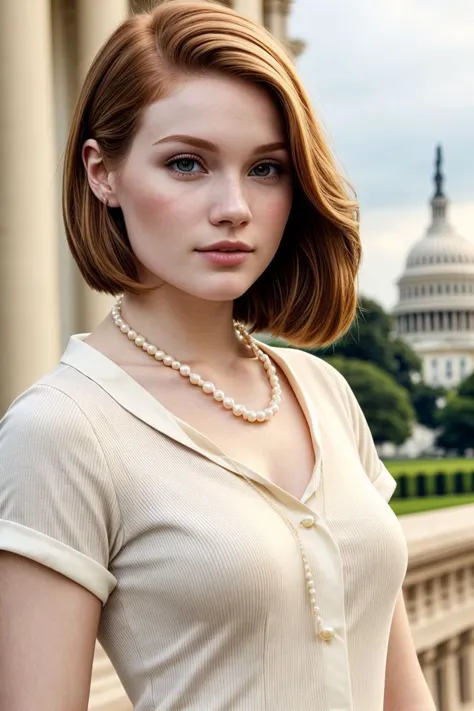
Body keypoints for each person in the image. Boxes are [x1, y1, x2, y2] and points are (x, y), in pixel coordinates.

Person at [0, 2, 435, 710]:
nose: (234, 206)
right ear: (101, 172)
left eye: (266, 168)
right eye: (187, 163)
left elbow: (403, 692)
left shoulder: (323, 394)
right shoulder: (63, 430)